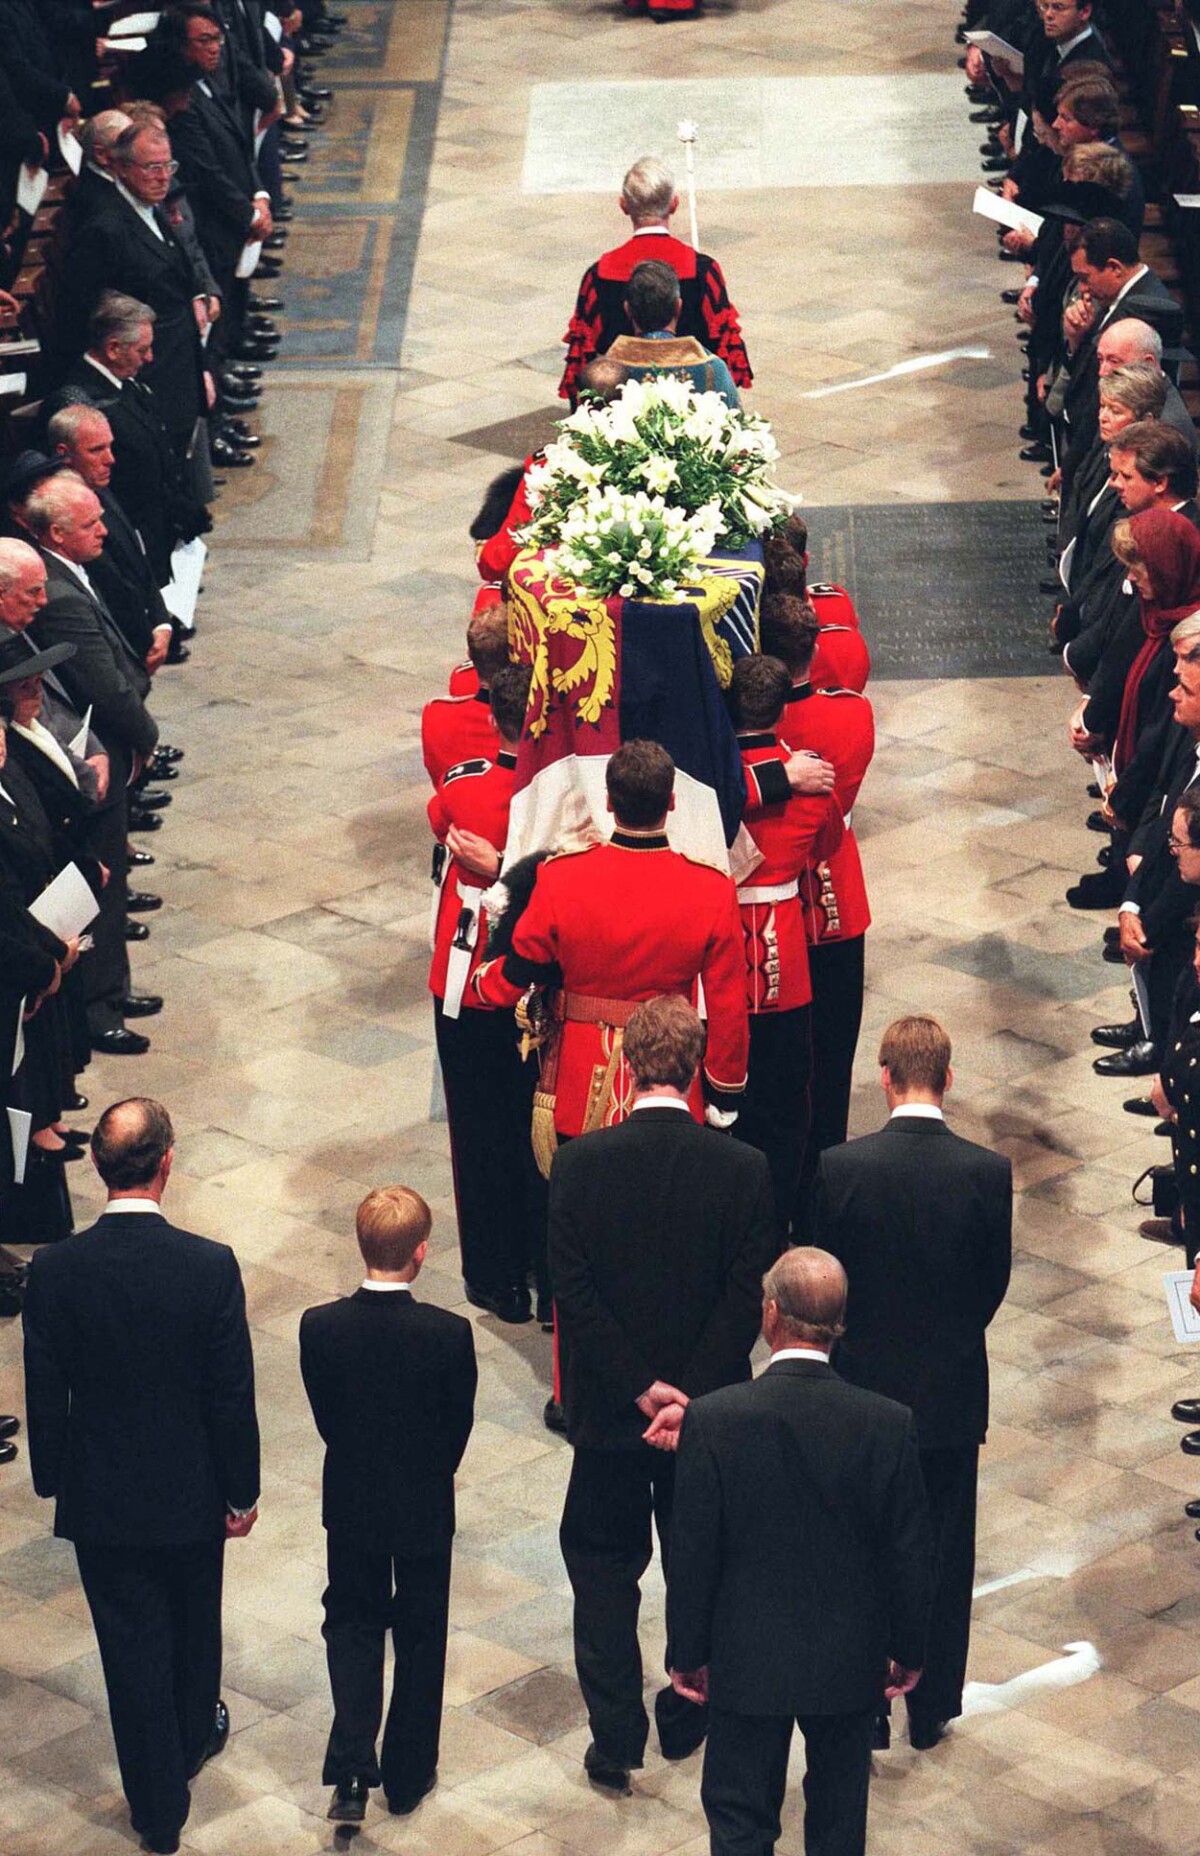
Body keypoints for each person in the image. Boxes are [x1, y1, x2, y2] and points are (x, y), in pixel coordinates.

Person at [22, 1098, 260, 1856]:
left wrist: (53, 1476)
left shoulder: (56, 1269)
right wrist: (241, 1489)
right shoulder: (208, 1265)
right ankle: (188, 1745)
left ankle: (157, 1809)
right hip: (191, 1491)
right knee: (194, 1628)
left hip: (103, 1494)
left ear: (95, 1166)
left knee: (130, 1648)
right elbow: (230, 1393)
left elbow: (42, 1385)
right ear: (167, 1163)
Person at [549, 995, 774, 1791]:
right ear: (696, 1065)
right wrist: (688, 1394)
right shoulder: (743, 1168)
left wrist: (641, 1388)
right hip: (708, 1418)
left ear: (628, 1063)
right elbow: (748, 1296)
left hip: (612, 1416)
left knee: (603, 1570)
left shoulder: (580, 1164)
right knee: (702, 1563)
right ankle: (689, 1707)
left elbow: (570, 1294)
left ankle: (614, 1738)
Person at [666, 1247, 932, 1856]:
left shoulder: (714, 1418)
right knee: (840, 1822)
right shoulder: (887, 1422)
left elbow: (693, 1552)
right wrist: (910, 1649)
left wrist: (688, 1651)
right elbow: (910, 1553)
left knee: (739, 1817)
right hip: (848, 1658)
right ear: (840, 1322)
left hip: (743, 1655)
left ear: (770, 1314)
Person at [816, 1015, 1012, 1751]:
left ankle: (864, 1701)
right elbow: (991, 1283)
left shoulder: (841, 1167)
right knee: (944, 1548)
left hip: (864, 1392)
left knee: (863, 1547)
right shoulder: (987, 1173)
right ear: (949, 1078)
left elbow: (827, 1284)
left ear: (885, 1076)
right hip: (952, 1393)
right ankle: (931, 1707)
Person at [299, 1185, 477, 1826]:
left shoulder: (319, 1328)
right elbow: (458, 1425)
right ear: (422, 1253)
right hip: (424, 1501)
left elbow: (326, 1417)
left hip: (351, 1497)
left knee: (351, 1620)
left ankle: (351, 1766)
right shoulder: (448, 1335)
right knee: (422, 1631)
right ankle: (406, 1773)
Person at [473, 739, 749, 1142]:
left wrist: (485, 980)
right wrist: (724, 1089)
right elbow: (727, 1004)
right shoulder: (712, 888)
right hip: (672, 1081)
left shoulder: (560, 878)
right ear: (671, 802)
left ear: (608, 801)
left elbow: (520, 965)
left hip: (579, 1088)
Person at [428, 664, 548, 1323]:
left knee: (478, 1133)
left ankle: (492, 1274)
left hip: (469, 975)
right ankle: (535, 1257)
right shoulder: (547, 803)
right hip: (525, 975)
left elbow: (437, 812)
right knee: (533, 1125)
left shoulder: (463, 785)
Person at [560, 157, 751, 404]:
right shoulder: (704, 270)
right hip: (694, 403)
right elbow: (725, 354)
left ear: (623, 205)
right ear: (673, 204)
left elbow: (584, 365)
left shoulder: (598, 275)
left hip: (620, 405)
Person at [604, 260, 740, 408]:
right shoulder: (713, 369)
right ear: (678, 306)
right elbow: (738, 425)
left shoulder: (602, 373)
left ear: (627, 309)